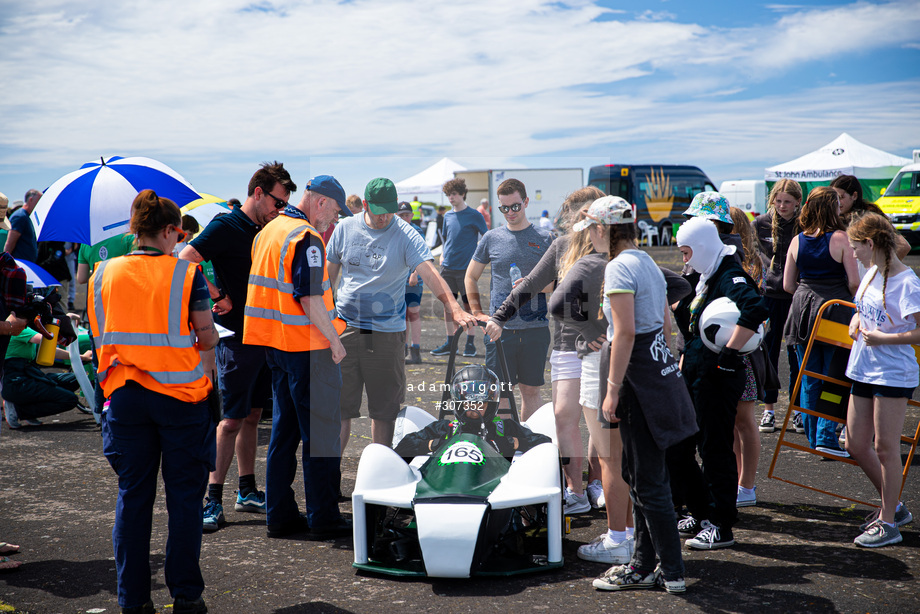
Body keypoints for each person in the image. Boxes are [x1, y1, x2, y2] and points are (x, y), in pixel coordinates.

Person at [91, 189, 219, 614]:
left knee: (133, 497)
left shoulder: (101, 274)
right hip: (180, 399)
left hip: (124, 398)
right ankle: (186, 596)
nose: (179, 240)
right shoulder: (186, 274)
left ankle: (134, 601)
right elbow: (206, 335)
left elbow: (101, 338)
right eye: (178, 233)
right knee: (184, 501)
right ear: (167, 230)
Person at [179, 162, 296, 533]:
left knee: (252, 415)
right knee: (229, 420)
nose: (280, 210)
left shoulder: (267, 227)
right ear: (258, 193)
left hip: (265, 337)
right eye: (277, 202)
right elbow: (185, 259)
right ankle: (212, 499)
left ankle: (247, 490)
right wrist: (219, 293)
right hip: (237, 338)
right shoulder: (226, 225)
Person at [590, 197, 696, 594]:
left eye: (592, 230)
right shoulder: (647, 260)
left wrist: (612, 390)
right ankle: (644, 563)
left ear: (603, 228)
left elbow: (626, 332)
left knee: (648, 479)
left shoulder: (619, 265)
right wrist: (668, 358)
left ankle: (671, 571)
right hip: (658, 372)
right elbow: (666, 320)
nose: (591, 238)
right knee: (640, 474)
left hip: (638, 380)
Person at [327, 177, 476, 451]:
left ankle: (380, 474)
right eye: (379, 210)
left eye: (389, 211)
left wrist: (454, 308)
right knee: (339, 408)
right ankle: (328, 479)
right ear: (365, 205)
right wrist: (324, 322)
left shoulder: (406, 234)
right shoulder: (344, 229)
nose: (385, 217)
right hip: (345, 329)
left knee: (384, 410)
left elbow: (429, 273)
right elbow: (328, 276)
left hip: (385, 333)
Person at [244, 174, 353, 540]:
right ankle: (323, 517)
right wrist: (334, 342)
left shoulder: (268, 231)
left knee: (284, 435)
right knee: (320, 437)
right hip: (308, 350)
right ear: (320, 202)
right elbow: (307, 298)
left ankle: (280, 515)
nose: (334, 221)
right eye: (334, 212)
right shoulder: (305, 237)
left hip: (275, 347)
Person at [488, 187, 604, 516]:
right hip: (568, 346)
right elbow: (529, 285)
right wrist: (499, 316)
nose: (584, 219)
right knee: (563, 416)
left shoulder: (615, 251)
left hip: (603, 348)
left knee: (599, 420)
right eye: (580, 213)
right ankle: (576, 491)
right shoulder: (562, 246)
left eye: (590, 213)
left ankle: (598, 483)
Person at [671, 215, 768, 550]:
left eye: (686, 252)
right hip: (696, 373)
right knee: (683, 447)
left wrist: (728, 353)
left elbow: (756, 308)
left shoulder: (729, 273)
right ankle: (702, 512)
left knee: (714, 449)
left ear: (701, 247)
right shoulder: (705, 275)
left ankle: (721, 524)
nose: (684, 260)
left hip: (718, 376)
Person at [844, 213, 920, 547]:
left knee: (885, 447)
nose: (854, 253)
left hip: (892, 373)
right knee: (855, 443)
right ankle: (896, 508)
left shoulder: (908, 282)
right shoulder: (872, 271)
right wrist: (856, 318)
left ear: (870, 243)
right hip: (863, 368)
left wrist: (883, 339)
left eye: (855, 247)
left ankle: (889, 522)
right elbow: (864, 307)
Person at [467, 178, 555, 421]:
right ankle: (505, 449)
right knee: (501, 394)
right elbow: (471, 276)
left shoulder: (546, 238)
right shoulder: (491, 238)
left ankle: (529, 447)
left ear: (526, 202)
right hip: (499, 330)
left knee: (531, 392)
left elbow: (560, 282)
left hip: (535, 328)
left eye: (515, 206)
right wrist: (477, 311)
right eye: (504, 208)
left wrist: (533, 285)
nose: (510, 212)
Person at [783, 186, 859, 456]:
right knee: (834, 377)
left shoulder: (797, 240)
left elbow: (787, 284)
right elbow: (853, 282)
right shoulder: (841, 238)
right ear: (831, 208)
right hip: (835, 311)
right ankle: (827, 437)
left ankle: (814, 438)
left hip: (802, 311)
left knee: (809, 377)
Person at [394, 365, 551, 461]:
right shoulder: (446, 428)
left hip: (495, 490)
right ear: (460, 403)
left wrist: (515, 443)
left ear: (490, 404)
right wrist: (434, 444)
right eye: (470, 402)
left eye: (481, 402)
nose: (475, 407)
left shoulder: (506, 428)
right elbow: (402, 448)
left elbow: (545, 443)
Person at [752, 179, 803, 434]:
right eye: (778, 201)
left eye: (788, 202)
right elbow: (748, 254)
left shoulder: (805, 223)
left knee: (797, 355)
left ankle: (797, 411)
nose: (782, 206)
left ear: (798, 203)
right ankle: (768, 411)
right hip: (769, 296)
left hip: (796, 296)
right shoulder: (759, 224)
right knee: (768, 354)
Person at [729, 206, 764, 507]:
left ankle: (747, 484)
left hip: (743, 352)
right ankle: (737, 480)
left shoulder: (749, 264)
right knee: (730, 423)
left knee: (744, 418)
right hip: (725, 348)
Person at [431, 178, 488, 358]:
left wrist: (479, 259)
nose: (450, 198)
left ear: (463, 194)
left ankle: (470, 344)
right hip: (447, 268)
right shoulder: (447, 216)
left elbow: (486, 238)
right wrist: (443, 256)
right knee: (449, 307)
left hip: (466, 270)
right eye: (448, 195)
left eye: (454, 194)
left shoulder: (474, 215)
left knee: (468, 308)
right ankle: (451, 343)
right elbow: (447, 240)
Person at [1, 320, 91, 424]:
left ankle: (26, 408)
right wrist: (65, 321)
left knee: (74, 379)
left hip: (30, 375)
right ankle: (19, 410)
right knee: (70, 399)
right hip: (18, 382)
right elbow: (50, 340)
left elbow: (51, 349)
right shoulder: (20, 328)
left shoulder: (23, 329)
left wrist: (82, 357)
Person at [396, 201, 425, 364]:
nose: (405, 218)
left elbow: (422, 256)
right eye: (401, 215)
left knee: (413, 313)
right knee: (403, 315)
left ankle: (416, 351)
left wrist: (414, 274)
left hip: (414, 280)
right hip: (399, 280)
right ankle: (404, 348)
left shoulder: (417, 231)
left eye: (407, 215)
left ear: (412, 216)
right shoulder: (395, 231)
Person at [4, 189, 40, 262]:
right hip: (20, 265)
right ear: (30, 200)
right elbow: (10, 243)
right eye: (38, 201)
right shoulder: (20, 216)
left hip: (27, 264)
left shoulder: (27, 216)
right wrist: (4, 262)